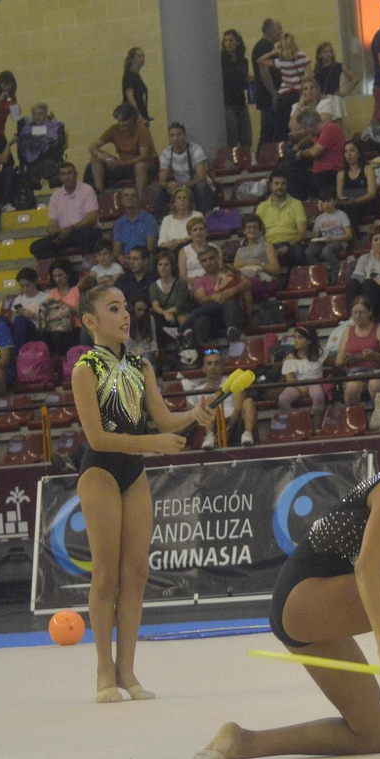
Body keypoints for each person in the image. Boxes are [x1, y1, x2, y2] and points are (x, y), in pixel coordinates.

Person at [192, 414, 380, 759]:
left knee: (371, 735)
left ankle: (240, 741)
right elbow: (368, 567)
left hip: (312, 610)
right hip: (304, 597)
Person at [71, 282, 213, 703]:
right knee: (106, 576)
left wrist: (195, 414)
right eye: (114, 309)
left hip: (133, 474)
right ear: (91, 322)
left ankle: (128, 671)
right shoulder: (85, 370)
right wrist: (152, 444)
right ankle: (103, 671)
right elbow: (97, 439)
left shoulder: (141, 366)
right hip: (100, 473)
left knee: (136, 574)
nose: (125, 315)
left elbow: (165, 420)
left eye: (126, 307)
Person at [186, 350, 257, 447]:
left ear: (222, 367)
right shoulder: (196, 391)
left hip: (235, 423)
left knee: (248, 402)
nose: (213, 367)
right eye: (209, 364)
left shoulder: (233, 382)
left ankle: (247, 435)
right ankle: (209, 436)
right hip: (210, 423)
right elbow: (190, 416)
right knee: (209, 400)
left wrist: (227, 429)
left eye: (217, 363)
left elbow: (238, 408)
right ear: (204, 368)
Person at [88, 103, 156, 198]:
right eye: (119, 120)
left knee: (140, 166)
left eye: (124, 120)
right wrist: (100, 155)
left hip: (142, 166)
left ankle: (141, 199)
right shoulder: (114, 129)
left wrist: (123, 163)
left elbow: (143, 156)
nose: (121, 123)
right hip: (123, 165)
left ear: (132, 119)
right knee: (95, 157)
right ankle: (100, 193)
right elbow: (92, 146)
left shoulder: (142, 130)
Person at [185, 245, 247, 348]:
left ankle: (234, 343)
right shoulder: (200, 280)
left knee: (230, 304)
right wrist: (217, 296)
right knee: (200, 321)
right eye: (204, 260)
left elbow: (247, 283)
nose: (208, 262)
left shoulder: (229, 271)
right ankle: (203, 355)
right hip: (213, 316)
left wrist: (233, 290)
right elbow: (202, 299)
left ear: (217, 258)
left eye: (211, 258)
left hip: (233, 312)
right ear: (201, 263)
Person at [336, 298, 380, 405]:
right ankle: (355, 420)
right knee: (352, 388)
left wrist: (374, 356)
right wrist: (348, 360)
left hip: (377, 371)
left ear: (370, 312)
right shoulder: (347, 332)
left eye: (361, 313)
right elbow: (338, 362)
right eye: (354, 313)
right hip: (354, 372)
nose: (357, 316)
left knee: (375, 385)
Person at [157, 122, 212, 215]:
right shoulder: (167, 152)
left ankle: (204, 218)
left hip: (197, 187)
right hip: (180, 189)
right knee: (157, 189)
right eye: (172, 135)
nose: (176, 139)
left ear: (185, 136)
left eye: (179, 135)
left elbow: (202, 178)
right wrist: (170, 185)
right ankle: (162, 221)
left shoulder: (195, 149)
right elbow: (161, 181)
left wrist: (180, 186)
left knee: (201, 187)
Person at [256, 172, 308, 267]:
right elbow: (257, 233)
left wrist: (287, 246)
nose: (280, 187)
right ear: (270, 186)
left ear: (287, 186)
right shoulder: (262, 207)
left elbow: (302, 233)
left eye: (283, 183)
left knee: (298, 253)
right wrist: (269, 248)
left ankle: (293, 281)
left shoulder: (296, 204)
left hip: (292, 243)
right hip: (269, 244)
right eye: (276, 183)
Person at [278, 325, 327, 420]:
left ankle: (318, 426)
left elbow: (335, 362)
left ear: (309, 341)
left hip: (314, 382)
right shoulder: (290, 358)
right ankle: (297, 421)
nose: (295, 341)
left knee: (318, 396)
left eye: (300, 338)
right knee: (282, 399)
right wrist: (301, 388)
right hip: (296, 384)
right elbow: (290, 378)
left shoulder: (319, 354)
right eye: (295, 337)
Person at [15, 103, 67, 190]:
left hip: (50, 158)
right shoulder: (27, 128)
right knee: (30, 174)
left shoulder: (54, 126)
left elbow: (54, 139)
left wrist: (36, 138)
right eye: (34, 114)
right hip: (32, 161)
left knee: (49, 163)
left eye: (40, 114)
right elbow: (23, 142)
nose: (36, 116)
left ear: (45, 115)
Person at [251, 18, 284, 150]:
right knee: (270, 132)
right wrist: (274, 93)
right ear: (270, 30)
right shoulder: (263, 47)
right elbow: (264, 72)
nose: (281, 32)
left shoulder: (269, 47)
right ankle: (263, 158)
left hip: (271, 95)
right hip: (269, 96)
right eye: (279, 28)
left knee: (271, 131)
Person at [233, 213, 282, 300]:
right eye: (248, 227)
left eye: (255, 227)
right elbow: (235, 270)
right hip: (245, 279)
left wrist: (259, 263)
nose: (251, 230)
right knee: (242, 285)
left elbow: (276, 270)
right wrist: (243, 265)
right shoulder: (241, 249)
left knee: (244, 286)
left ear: (260, 230)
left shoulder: (267, 245)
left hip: (265, 279)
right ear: (244, 231)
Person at [222, 29, 254, 150]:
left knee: (246, 137)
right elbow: (229, 78)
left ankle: (245, 160)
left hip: (240, 100)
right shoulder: (222, 60)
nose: (228, 43)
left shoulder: (243, 61)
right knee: (232, 136)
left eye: (231, 40)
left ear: (237, 42)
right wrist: (244, 78)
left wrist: (248, 81)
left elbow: (241, 83)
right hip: (228, 102)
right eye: (225, 41)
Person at [335, 140, 380, 225]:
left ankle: (353, 236)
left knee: (350, 209)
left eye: (352, 151)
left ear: (359, 153)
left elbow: (372, 193)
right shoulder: (341, 174)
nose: (348, 154)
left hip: (366, 204)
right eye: (346, 151)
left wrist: (356, 201)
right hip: (349, 205)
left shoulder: (367, 169)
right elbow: (340, 196)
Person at [311, 40, 356, 121]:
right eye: (325, 52)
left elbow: (354, 79)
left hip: (334, 97)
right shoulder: (317, 70)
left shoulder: (338, 66)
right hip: (323, 98)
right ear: (319, 55)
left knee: (338, 123)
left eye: (330, 51)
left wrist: (345, 93)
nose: (328, 54)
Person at [112, 186, 159, 257]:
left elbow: (151, 248)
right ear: (121, 200)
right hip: (126, 258)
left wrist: (135, 259)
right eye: (126, 195)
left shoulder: (149, 219)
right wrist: (121, 259)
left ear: (139, 199)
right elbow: (117, 250)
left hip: (143, 259)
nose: (129, 198)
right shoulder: (119, 223)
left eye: (133, 195)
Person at [121, 46, 150, 124]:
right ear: (132, 59)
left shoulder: (137, 76)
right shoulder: (129, 76)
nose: (142, 58)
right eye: (139, 56)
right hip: (134, 119)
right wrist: (138, 115)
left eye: (143, 56)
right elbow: (130, 96)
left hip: (142, 116)